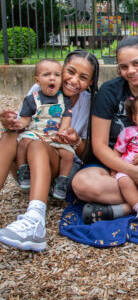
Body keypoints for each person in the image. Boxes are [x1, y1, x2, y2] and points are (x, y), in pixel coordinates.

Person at [72, 36, 138, 221]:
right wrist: (132, 172)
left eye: (136, 63)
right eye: (124, 67)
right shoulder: (109, 92)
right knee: (82, 184)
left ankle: (124, 208)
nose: (131, 71)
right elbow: (99, 146)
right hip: (115, 167)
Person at [0, 50, 99, 251]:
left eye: (83, 77)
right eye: (70, 72)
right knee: (10, 133)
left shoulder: (90, 103)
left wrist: (75, 140)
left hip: (61, 166)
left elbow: (88, 153)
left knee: (38, 144)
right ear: (61, 70)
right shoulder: (40, 88)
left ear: (90, 83)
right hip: (27, 163)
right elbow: (24, 124)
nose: (73, 80)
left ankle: (35, 219)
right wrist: (9, 122)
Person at [83, 90, 138, 224]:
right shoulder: (128, 132)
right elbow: (117, 152)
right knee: (124, 180)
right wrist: (114, 170)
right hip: (128, 169)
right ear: (134, 118)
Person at [15, 59, 75, 200]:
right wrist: (18, 124)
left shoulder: (64, 100)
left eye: (57, 75)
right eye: (46, 74)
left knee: (68, 155)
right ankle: (23, 170)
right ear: (37, 80)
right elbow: (25, 118)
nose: (52, 78)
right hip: (35, 132)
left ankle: (61, 181)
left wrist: (63, 132)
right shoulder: (32, 99)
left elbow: (66, 118)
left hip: (53, 135)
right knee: (23, 142)